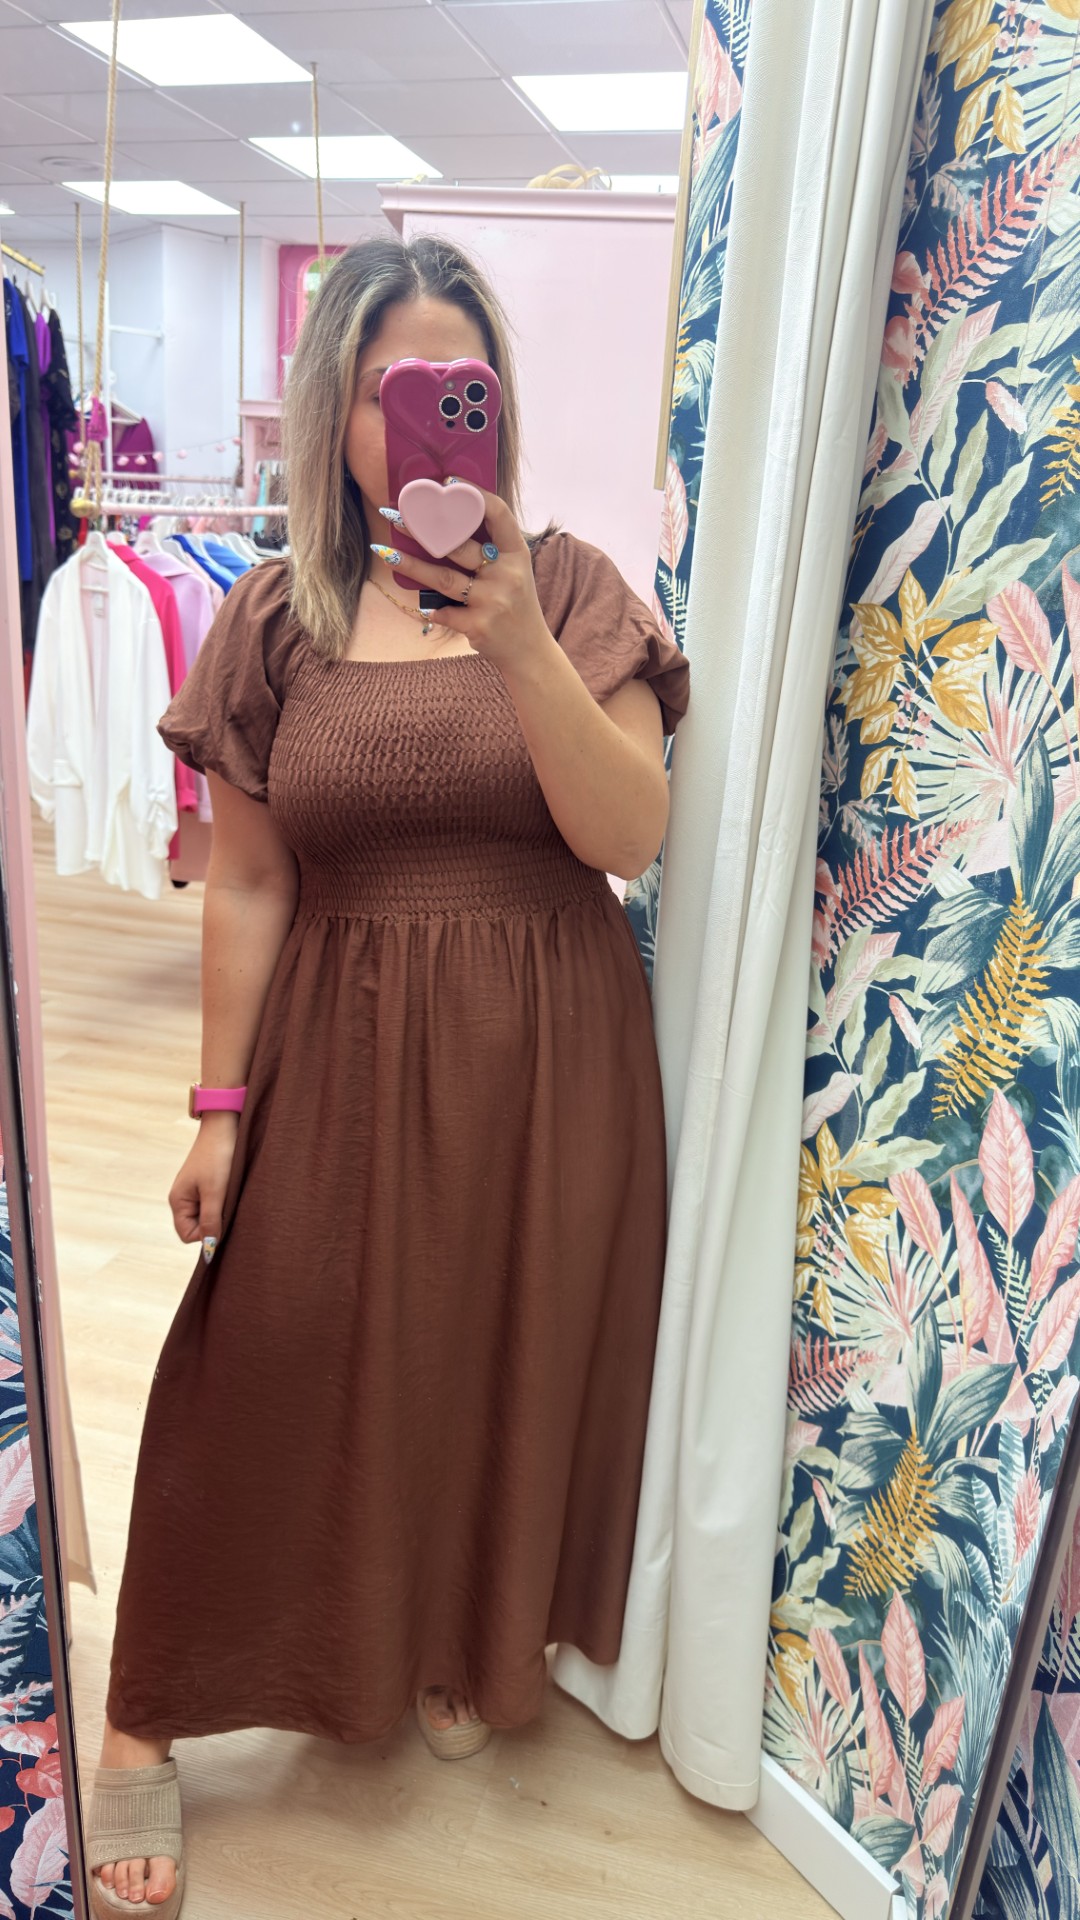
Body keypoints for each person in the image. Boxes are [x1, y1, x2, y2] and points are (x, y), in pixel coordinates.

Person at [85, 233, 690, 1916]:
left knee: (490, 1351)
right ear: (333, 413)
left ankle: (450, 1633)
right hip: (338, 1050)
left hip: (550, 1060)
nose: (416, 418)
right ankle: (145, 1708)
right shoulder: (273, 615)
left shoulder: (573, 591)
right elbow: (249, 882)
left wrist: (522, 646)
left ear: (496, 404)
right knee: (264, 1349)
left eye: (453, 383)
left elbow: (629, 835)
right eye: (383, 389)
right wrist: (218, 1111)